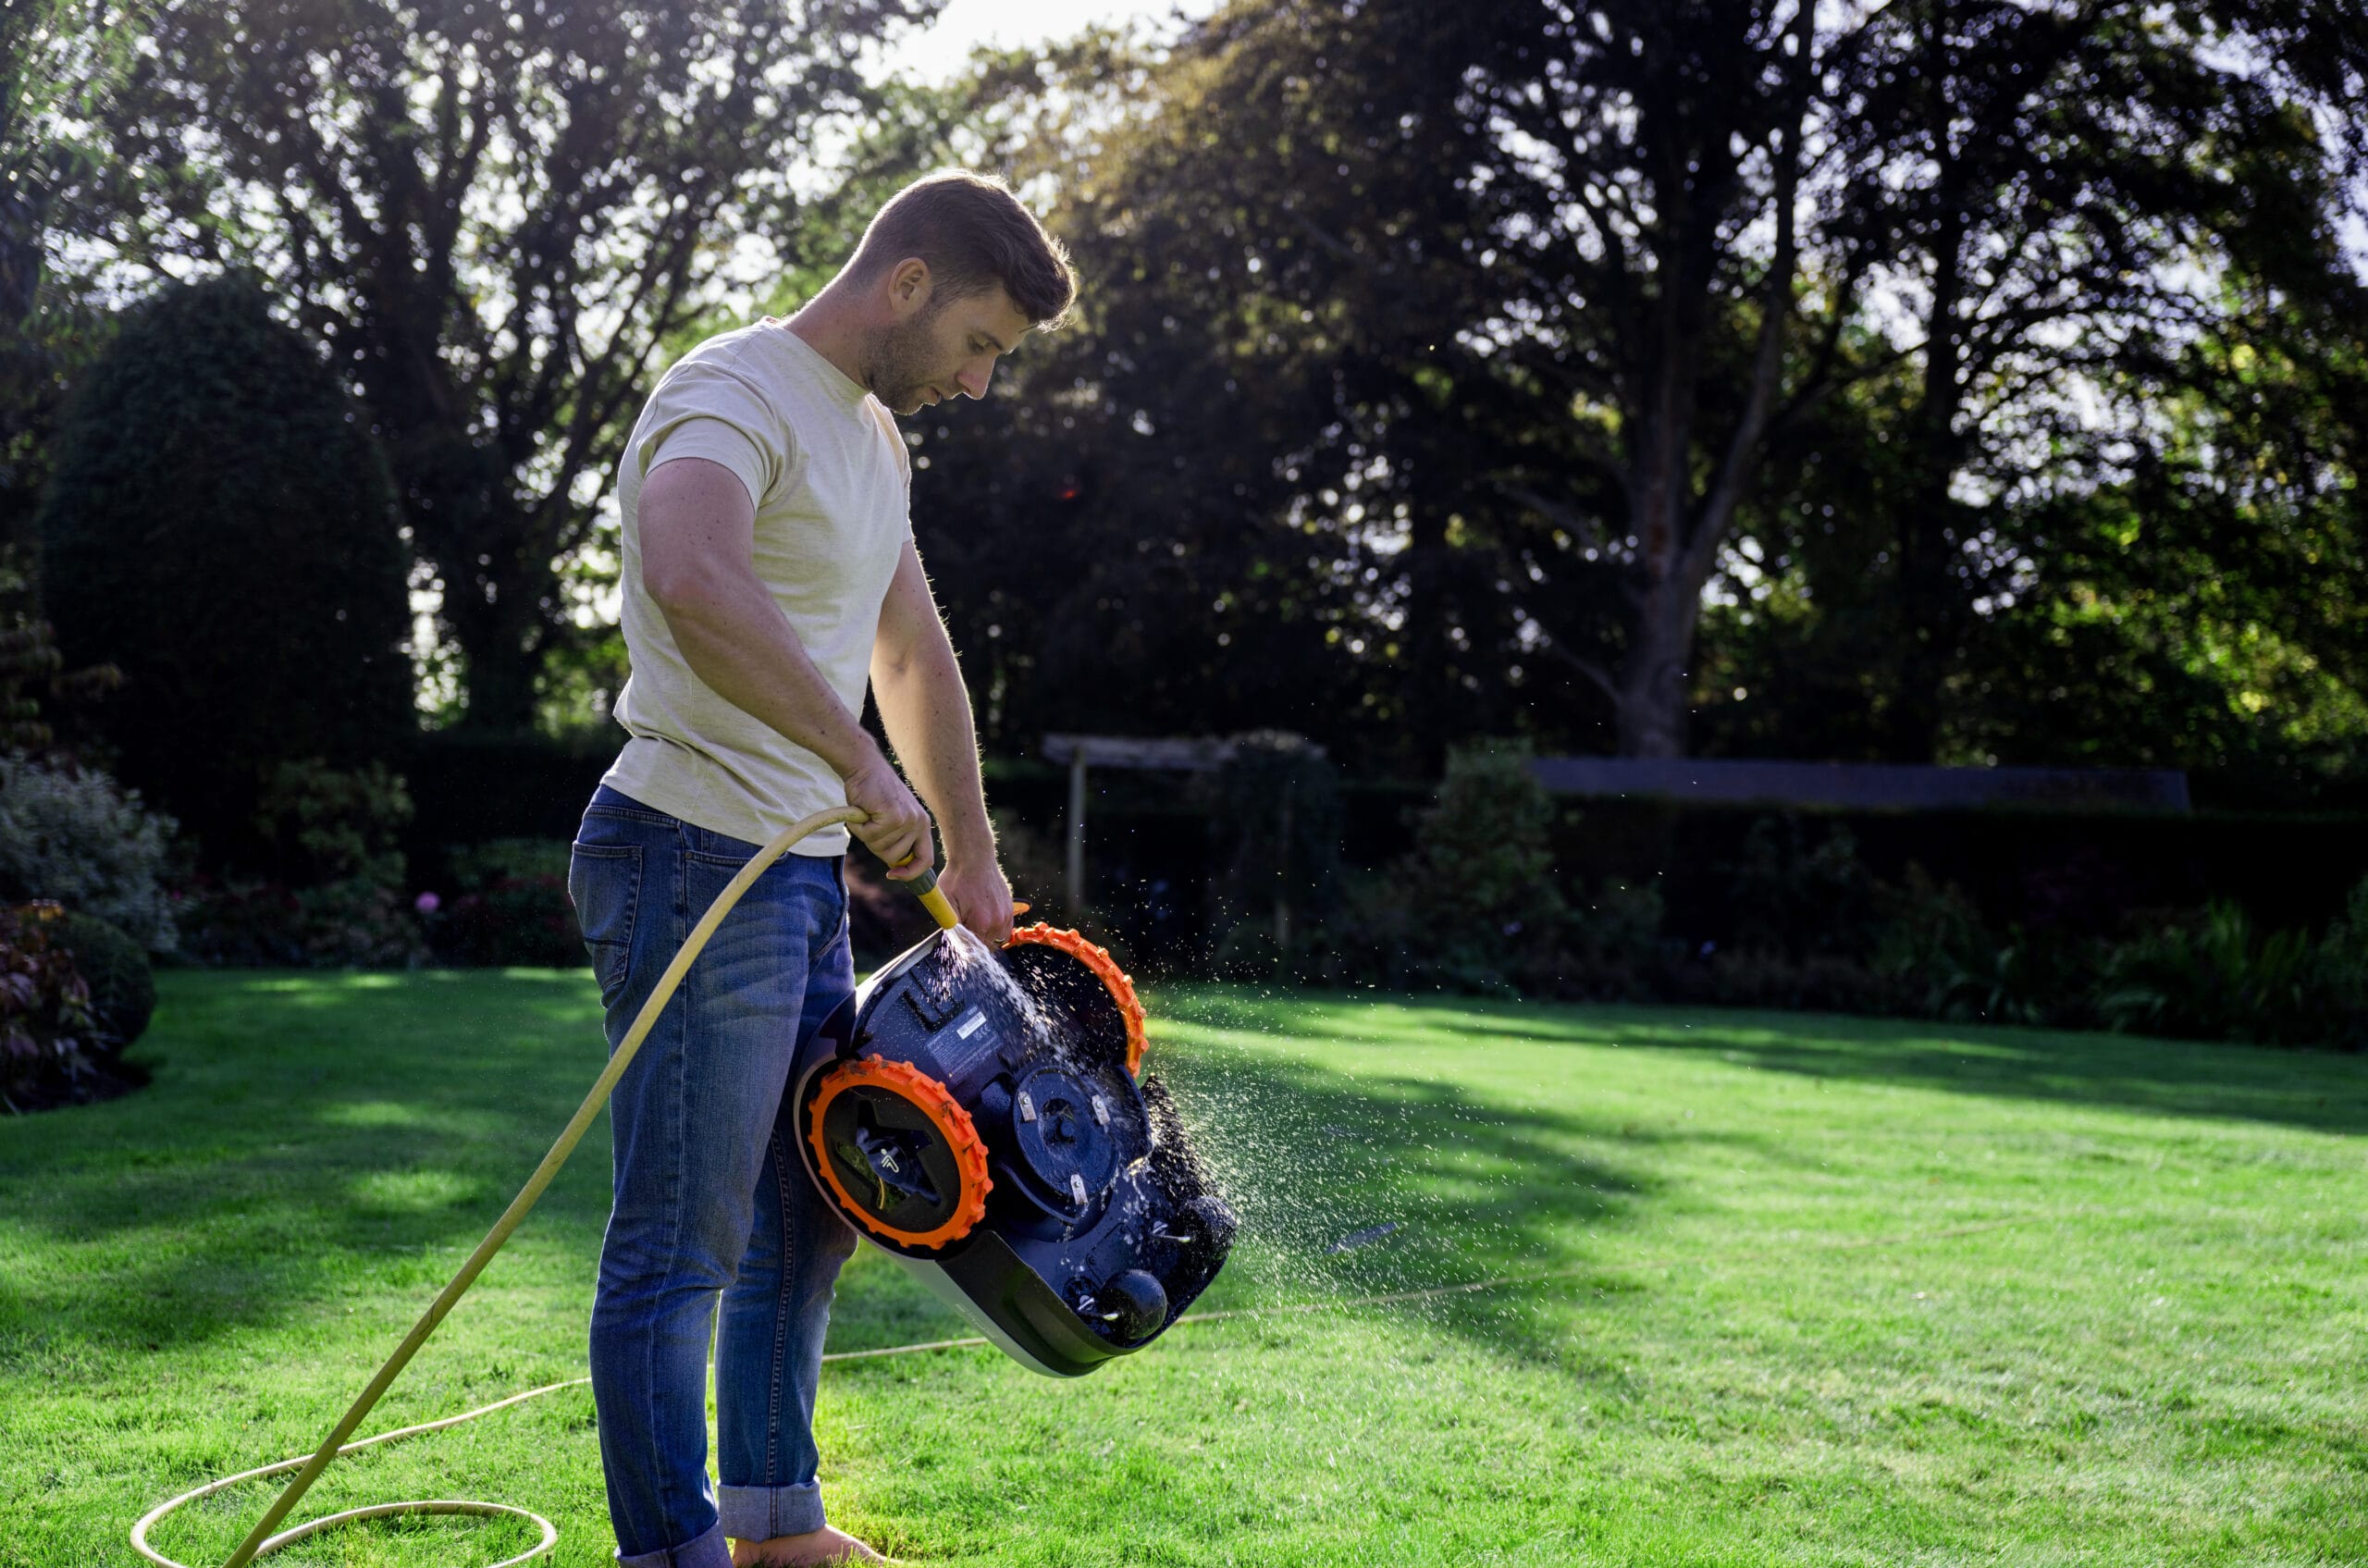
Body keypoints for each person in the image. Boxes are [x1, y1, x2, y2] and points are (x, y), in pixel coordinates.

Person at [565, 170, 1077, 1568]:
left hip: (785, 878)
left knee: (809, 1216)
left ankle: (777, 1524)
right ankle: (671, 1553)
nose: (978, 384)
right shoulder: (731, 389)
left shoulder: (873, 443)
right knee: (683, 1242)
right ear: (908, 283)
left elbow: (907, 652)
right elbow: (689, 570)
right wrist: (860, 776)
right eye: (978, 344)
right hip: (686, 850)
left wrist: (970, 854)